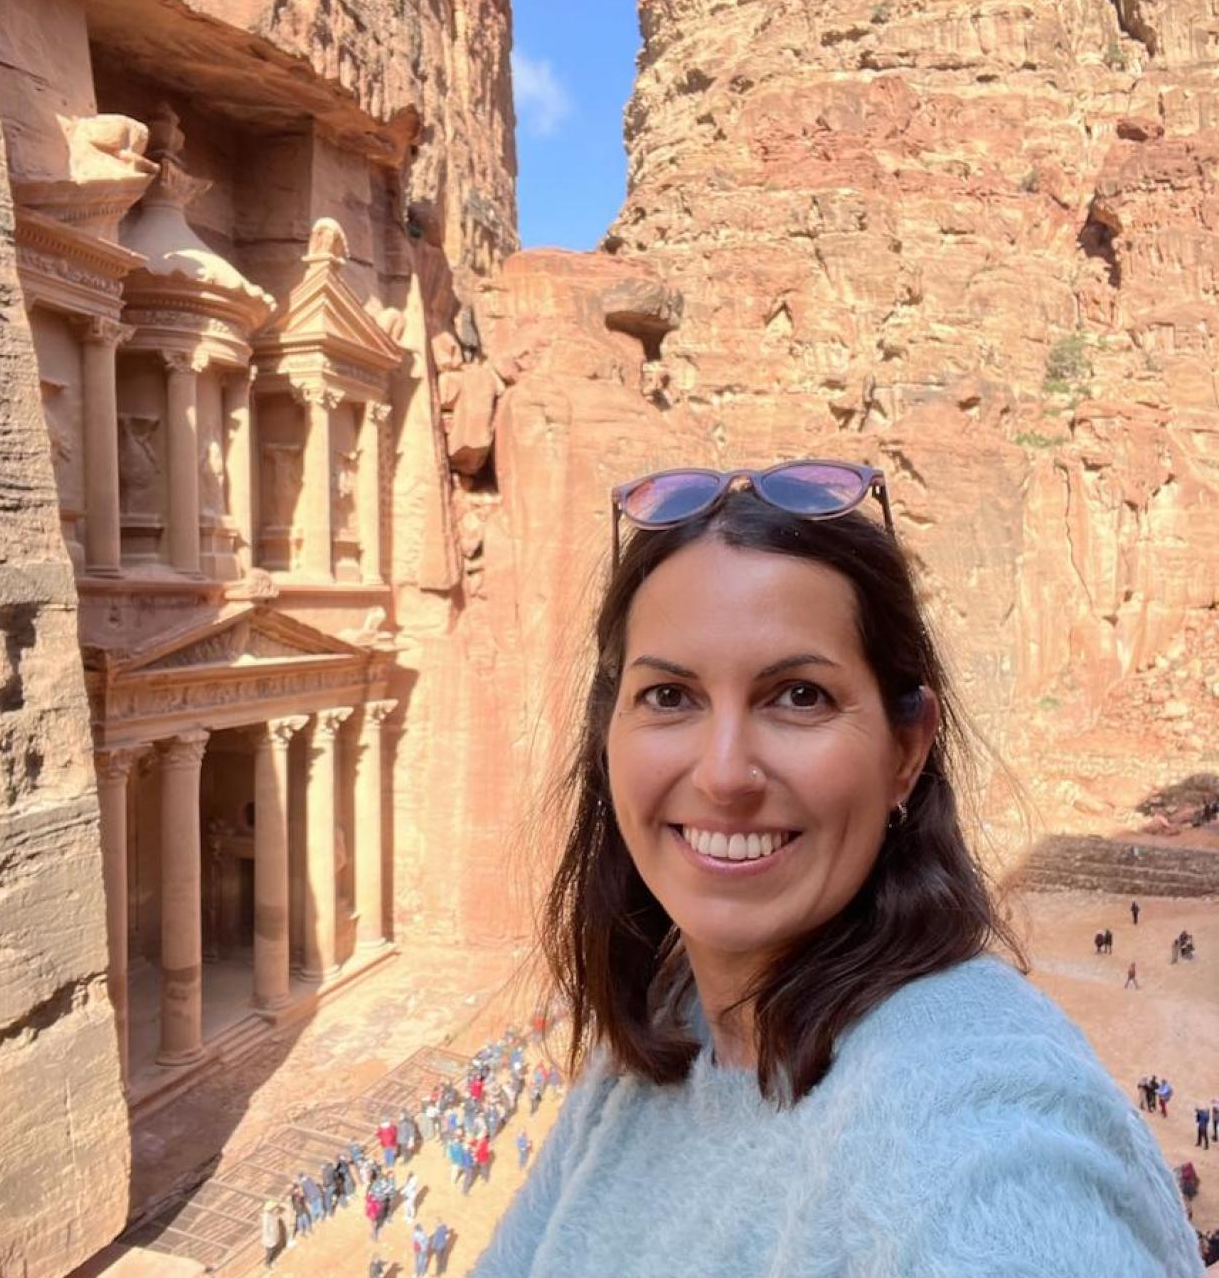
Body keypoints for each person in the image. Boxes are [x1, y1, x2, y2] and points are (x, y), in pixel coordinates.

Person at [467, 460, 1202, 1276]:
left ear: (906, 753)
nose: (723, 774)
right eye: (670, 697)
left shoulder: (972, 1130)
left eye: (800, 696)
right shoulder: (672, 1031)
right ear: (609, 738)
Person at [260, 1201, 282, 1269]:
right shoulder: (266, 1217)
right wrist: (269, 1237)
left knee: (272, 1249)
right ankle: (267, 1263)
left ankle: (271, 1260)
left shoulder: (271, 1214)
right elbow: (265, 1229)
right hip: (269, 1238)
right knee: (269, 1251)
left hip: (272, 1236)